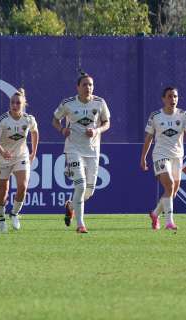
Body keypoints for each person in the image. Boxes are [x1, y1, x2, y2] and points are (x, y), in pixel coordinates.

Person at [52, 73, 110, 233]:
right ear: (78, 87)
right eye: (84, 85)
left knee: (89, 192)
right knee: (81, 185)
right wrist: (62, 129)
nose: (88, 88)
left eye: (90, 85)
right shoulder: (68, 103)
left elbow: (107, 122)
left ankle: (70, 206)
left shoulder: (99, 103)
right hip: (73, 149)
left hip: (92, 151)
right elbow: (55, 119)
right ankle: (80, 224)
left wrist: (97, 130)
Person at [140, 87, 186, 231]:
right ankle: (169, 222)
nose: (173, 99)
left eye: (175, 96)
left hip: (177, 156)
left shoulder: (183, 115)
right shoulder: (155, 116)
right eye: (170, 96)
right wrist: (143, 157)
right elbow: (148, 138)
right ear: (163, 99)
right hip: (160, 155)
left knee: (173, 192)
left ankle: (154, 214)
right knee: (170, 185)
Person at [0, 88, 39, 232]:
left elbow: (35, 133)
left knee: (23, 186)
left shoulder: (28, 119)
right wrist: (2, 151)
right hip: (3, 158)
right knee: (3, 190)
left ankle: (15, 213)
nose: (15, 105)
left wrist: (33, 153)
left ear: (23, 104)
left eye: (18, 103)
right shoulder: (3, 120)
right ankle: (1, 217)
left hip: (21, 156)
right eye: (12, 102)